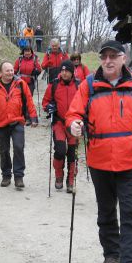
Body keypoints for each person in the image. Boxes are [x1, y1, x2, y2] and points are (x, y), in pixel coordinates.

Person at [66, 40, 132, 263]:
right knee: (106, 211)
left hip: (131, 160)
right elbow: (74, 113)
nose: (108, 61)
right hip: (99, 160)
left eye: (113, 56)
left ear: (123, 58)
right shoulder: (89, 86)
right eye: (104, 57)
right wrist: (74, 124)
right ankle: (111, 254)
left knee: (130, 212)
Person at [0, 61, 38, 189]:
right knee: (4, 151)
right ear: (1, 73)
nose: (10, 72)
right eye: (7, 70)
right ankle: (6, 175)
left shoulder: (20, 84)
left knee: (18, 147)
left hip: (17, 120)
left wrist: (33, 117)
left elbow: (29, 100)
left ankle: (19, 176)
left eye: (12, 70)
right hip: (1, 122)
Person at [42, 60, 80, 193]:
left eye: (67, 71)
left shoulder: (79, 85)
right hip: (59, 122)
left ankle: (70, 181)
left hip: (74, 124)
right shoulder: (54, 84)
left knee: (72, 153)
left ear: (72, 72)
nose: (64, 73)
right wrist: (49, 107)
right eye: (62, 70)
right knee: (59, 150)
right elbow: (45, 102)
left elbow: (85, 102)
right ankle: (59, 176)